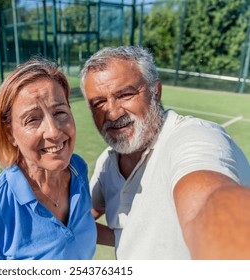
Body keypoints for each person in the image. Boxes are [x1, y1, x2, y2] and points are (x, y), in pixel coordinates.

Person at [80, 45, 250, 260]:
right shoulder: (107, 161)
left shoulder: (196, 137)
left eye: (125, 95)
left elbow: (208, 204)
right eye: (99, 103)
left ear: (156, 92)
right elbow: (83, 219)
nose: (113, 113)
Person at [0, 57, 97, 260]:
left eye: (60, 112)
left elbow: (77, 230)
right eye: (33, 119)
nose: (53, 131)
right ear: (10, 133)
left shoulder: (77, 168)